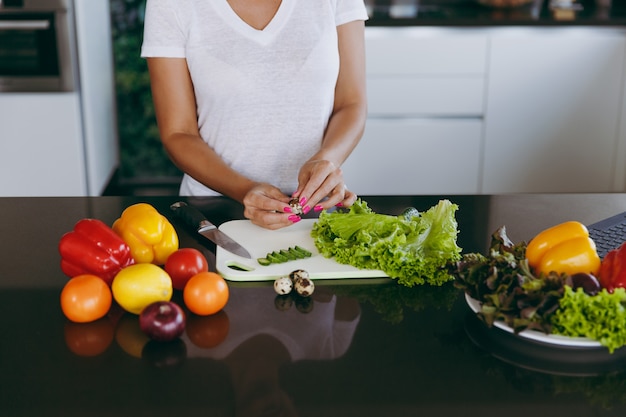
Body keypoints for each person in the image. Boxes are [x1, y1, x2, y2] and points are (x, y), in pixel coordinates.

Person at [141, 0, 368, 229]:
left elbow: (351, 103)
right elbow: (178, 132)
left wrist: (327, 159)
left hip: (317, 210)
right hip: (214, 213)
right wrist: (244, 190)